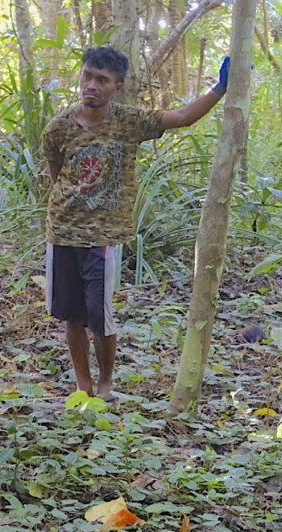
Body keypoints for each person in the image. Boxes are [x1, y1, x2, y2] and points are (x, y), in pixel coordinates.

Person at [43, 46, 232, 400]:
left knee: (100, 316)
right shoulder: (58, 128)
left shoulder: (129, 122)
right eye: (87, 76)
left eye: (102, 80)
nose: (92, 85)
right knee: (71, 316)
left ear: (117, 86)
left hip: (103, 237)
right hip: (62, 233)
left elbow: (181, 118)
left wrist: (219, 88)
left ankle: (106, 385)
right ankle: (82, 387)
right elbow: (57, 177)